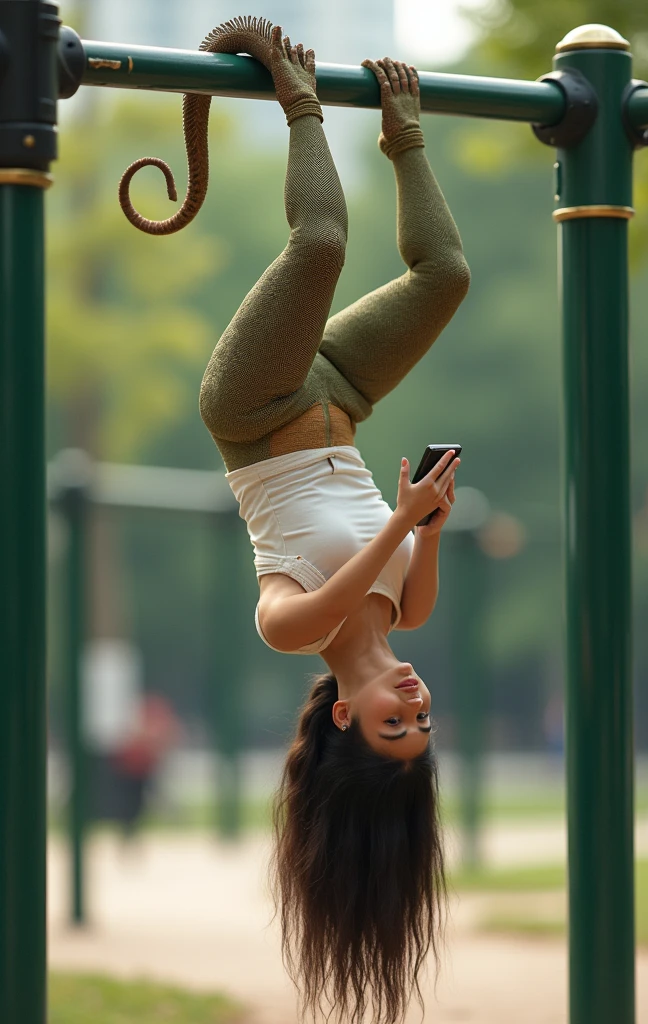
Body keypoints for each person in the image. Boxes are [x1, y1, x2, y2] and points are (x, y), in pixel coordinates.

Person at [121, 18, 470, 1024]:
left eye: (396, 722)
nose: (413, 700)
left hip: (258, 409)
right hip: (341, 401)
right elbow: (415, 554)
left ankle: (296, 92)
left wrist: (398, 519)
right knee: (442, 278)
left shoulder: (293, 631)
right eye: (425, 720)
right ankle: (402, 126)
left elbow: (328, 590)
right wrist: (428, 521)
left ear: (348, 722)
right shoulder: (406, 614)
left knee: (318, 243)